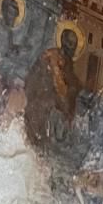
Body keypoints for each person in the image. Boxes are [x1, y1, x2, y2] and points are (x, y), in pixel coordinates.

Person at [22, 21, 82, 152]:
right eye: (68, 42)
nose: (70, 47)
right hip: (38, 102)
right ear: (62, 41)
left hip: (54, 110)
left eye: (73, 45)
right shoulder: (48, 57)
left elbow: (68, 98)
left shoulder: (71, 73)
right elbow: (33, 79)